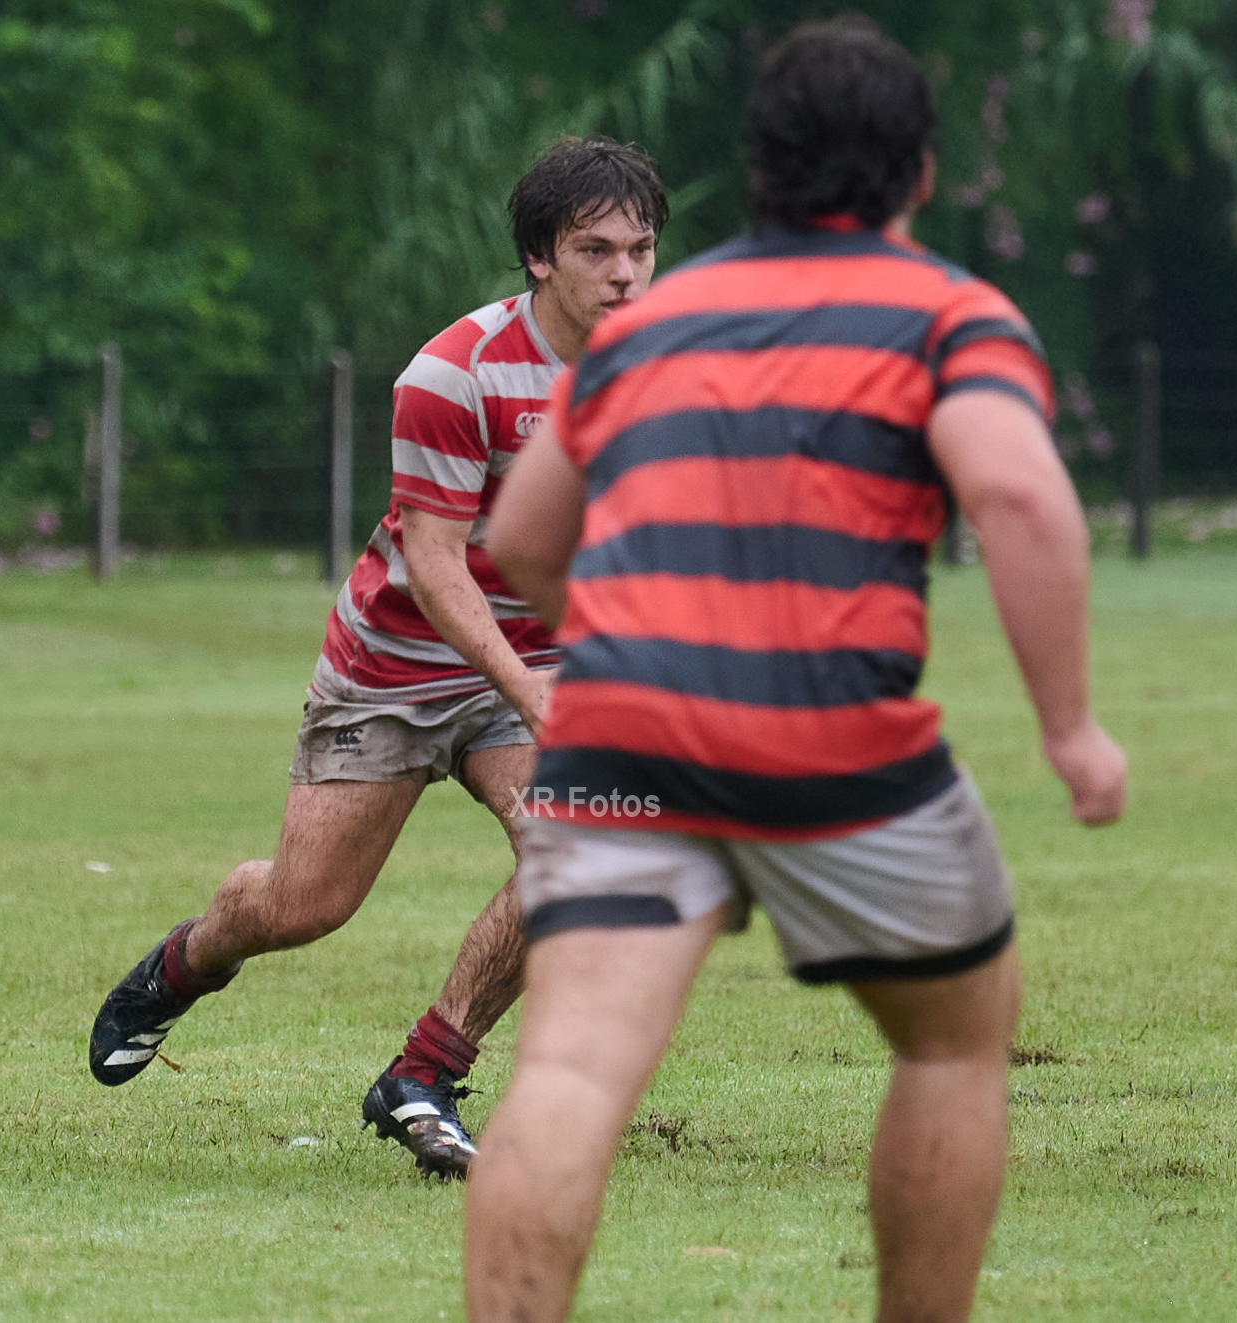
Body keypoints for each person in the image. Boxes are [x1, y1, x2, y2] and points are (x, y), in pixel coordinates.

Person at [464, 17, 1128, 1322]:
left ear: (756, 168)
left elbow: (526, 536)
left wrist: (629, 653)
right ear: (924, 175)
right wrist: (1071, 729)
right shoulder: (950, 312)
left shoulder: (656, 323)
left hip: (618, 742)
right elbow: (1025, 500)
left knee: (571, 1077)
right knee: (951, 1039)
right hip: (839, 748)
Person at [88, 137, 667, 1179]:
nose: (624, 273)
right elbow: (437, 568)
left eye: (639, 248)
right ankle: (187, 963)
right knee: (305, 907)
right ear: (539, 257)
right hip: (399, 665)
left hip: (541, 661)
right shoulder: (455, 374)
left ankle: (423, 1074)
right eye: (595, 250)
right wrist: (527, 685)